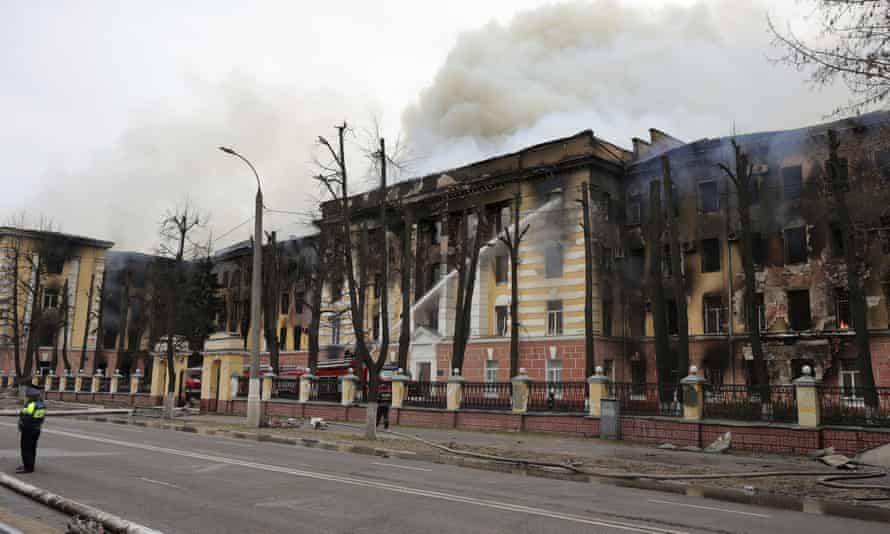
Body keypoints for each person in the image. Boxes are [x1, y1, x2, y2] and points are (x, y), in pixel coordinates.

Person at [17, 385, 46, 474]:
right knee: (32, 448)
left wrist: (21, 423)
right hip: (36, 428)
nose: (27, 396)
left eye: (28, 395)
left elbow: (27, 417)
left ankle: (27, 468)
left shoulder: (31, 404)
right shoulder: (41, 403)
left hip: (28, 429)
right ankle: (30, 465)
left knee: (26, 448)